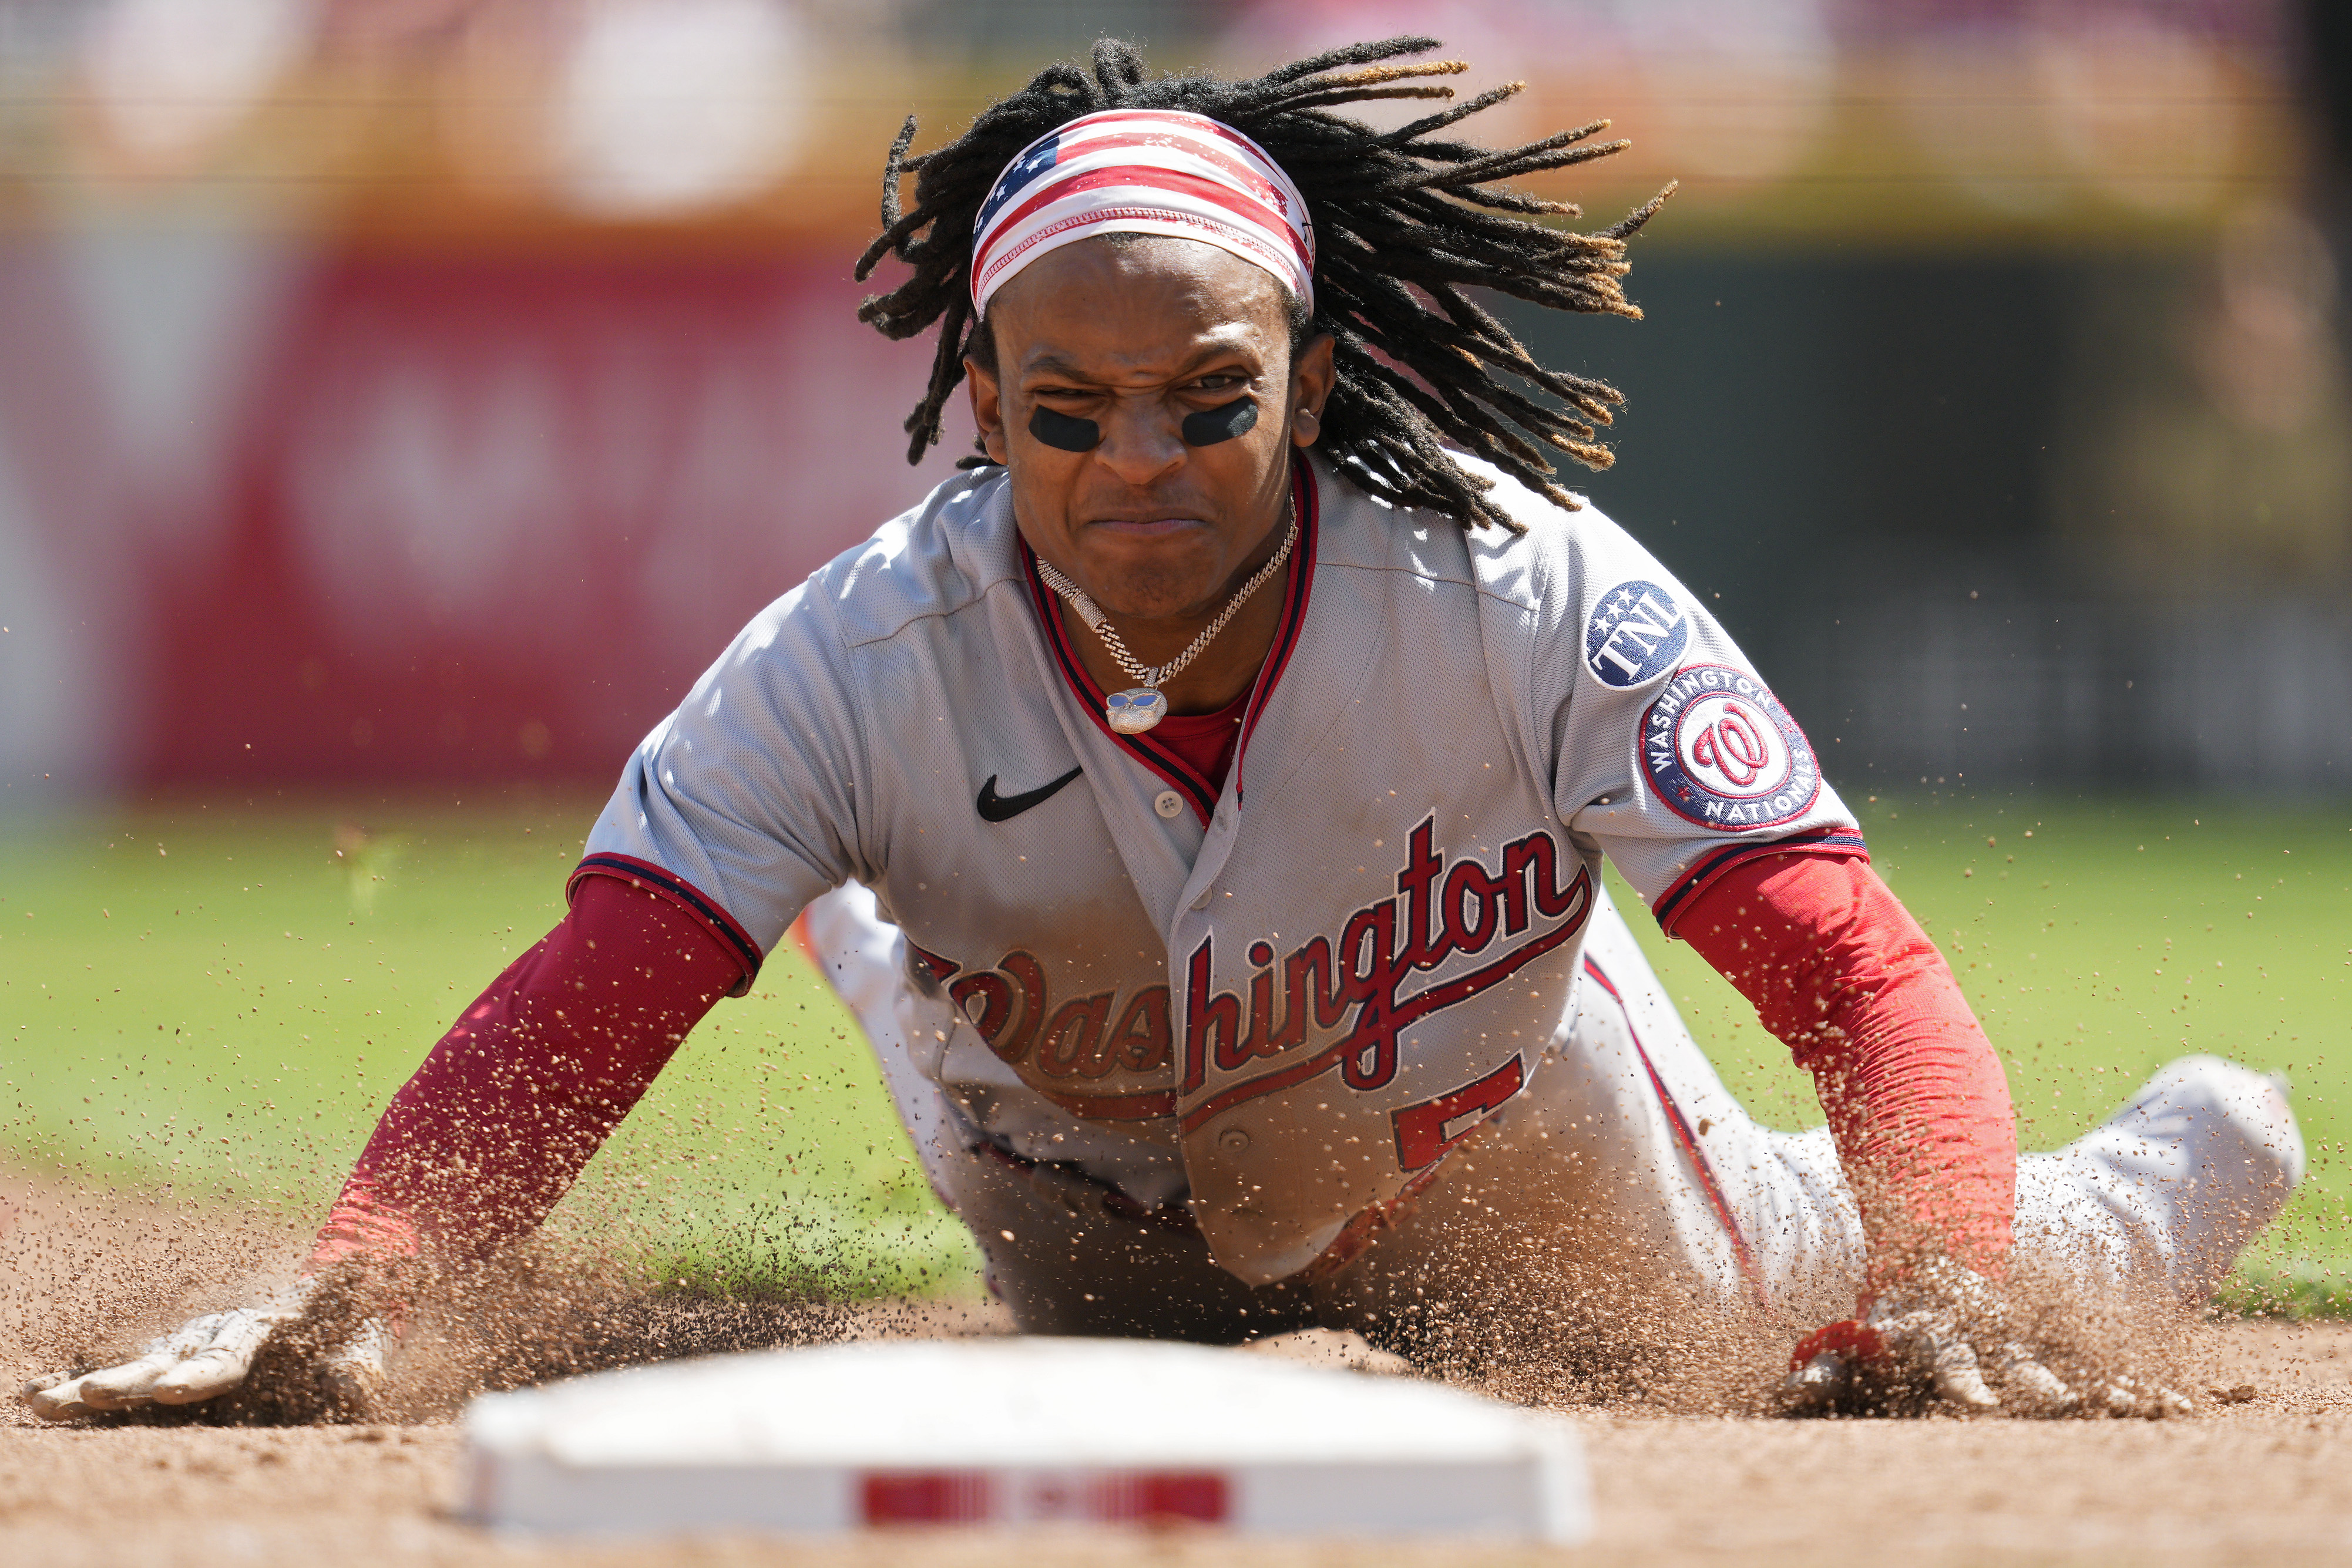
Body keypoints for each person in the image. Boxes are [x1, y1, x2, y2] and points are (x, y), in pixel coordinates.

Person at [22, 36, 2302, 1424]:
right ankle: (858, 912)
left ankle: (2173, 1158)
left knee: (1962, 1267)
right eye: (1069, 410)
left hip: (1529, 1175)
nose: (1136, 462)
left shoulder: (1516, 587)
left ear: (1310, 387)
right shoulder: (858, 647)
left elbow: (1850, 962)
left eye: (1208, 402)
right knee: (848, 898)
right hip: (1075, 1199)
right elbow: (587, 990)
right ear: (978, 407)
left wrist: (1949, 1282)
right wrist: (374, 1277)